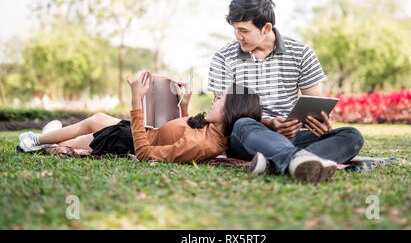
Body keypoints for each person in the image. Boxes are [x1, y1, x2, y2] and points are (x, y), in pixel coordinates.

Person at [207, 0, 364, 184]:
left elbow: (315, 105)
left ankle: (274, 164)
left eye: (244, 31)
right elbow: (225, 116)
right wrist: (270, 124)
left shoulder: (301, 53)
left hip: (293, 135)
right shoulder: (224, 58)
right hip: (248, 138)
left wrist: (321, 124)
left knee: (352, 136)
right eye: (235, 29)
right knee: (242, 124)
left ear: (266, 28)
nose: (238, 36)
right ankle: (297, 160)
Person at [17, 72, 262, 164]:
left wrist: (136, 102)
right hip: (140, 133)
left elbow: (145, 153)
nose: (214, 98)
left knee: (73, 140)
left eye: (220, 99)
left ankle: (36, 141)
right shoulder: (210, 133)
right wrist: (184, 105)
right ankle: (43, 137)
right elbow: (185, 133)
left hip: (130, 141)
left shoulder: (204, 144)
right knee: (95, 119)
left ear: (230, 111)